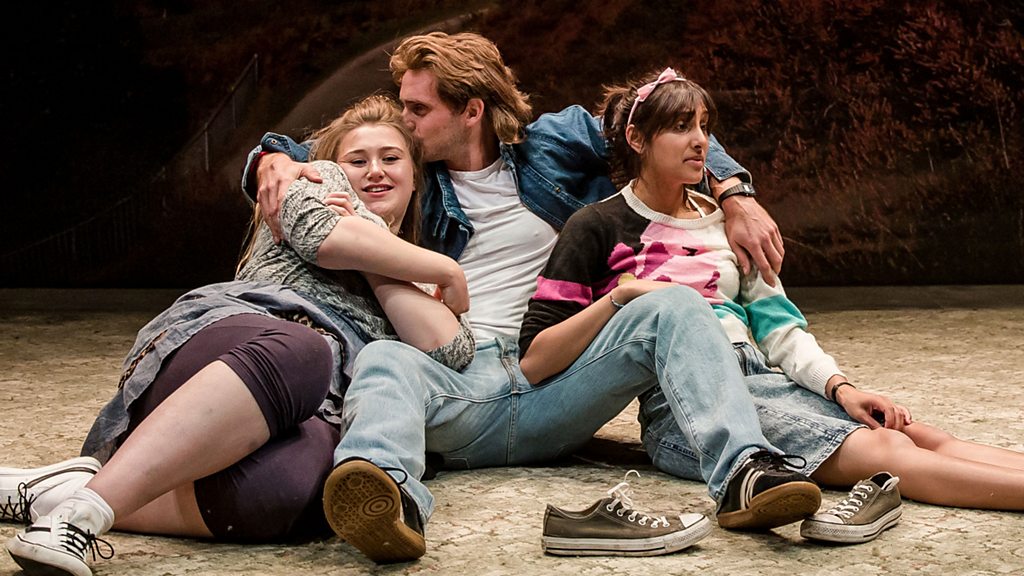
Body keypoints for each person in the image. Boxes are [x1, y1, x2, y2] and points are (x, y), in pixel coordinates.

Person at [249, 32, 821, 565]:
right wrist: (269, 159)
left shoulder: (554, 144)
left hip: (559, 375)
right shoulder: (405, 167)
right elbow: (308, 150)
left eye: (418, 109)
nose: (405, 122)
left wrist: (736, 194)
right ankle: (387, 498)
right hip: (460, 377)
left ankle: (745, 474)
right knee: (385, 359)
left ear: (471, 111)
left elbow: (661, 117)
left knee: (673, 302)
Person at [519, 67, 1024, 543]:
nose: (700, 141)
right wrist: (619, 298)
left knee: (908, 431)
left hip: (762, 377)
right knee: (886, 451)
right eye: (680, 127)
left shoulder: (727, 223)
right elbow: (537, 355)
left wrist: (841, 387)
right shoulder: (596, 226)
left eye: (704, 126)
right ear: (637, 139)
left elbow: (781, 330)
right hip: (687, 404)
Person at [2, 95, 475, 576]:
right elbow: (322, 237)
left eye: (391, 159)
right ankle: (79, 518)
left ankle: (62, 492)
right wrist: (445, 270)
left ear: (414, 177)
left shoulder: (411, 265)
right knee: (302, 351)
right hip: (231, 340)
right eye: (359, 160)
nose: (374, 170)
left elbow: (448, 350)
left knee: (294, 488)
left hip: (301, 406)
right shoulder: (315, 177)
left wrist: (379, 248)